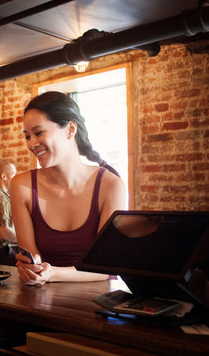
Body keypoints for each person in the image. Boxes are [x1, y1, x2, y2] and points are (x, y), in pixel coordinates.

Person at [10, 91, 126, 286]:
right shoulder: (21, 186)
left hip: (98, 303)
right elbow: (31, 259)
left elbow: (105, 266)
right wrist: (32, 268)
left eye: (38, 133)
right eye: (27, 136)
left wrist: (52, 273)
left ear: (70, 129)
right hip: (41, 301)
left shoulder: (111, 185)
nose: (31, 144)